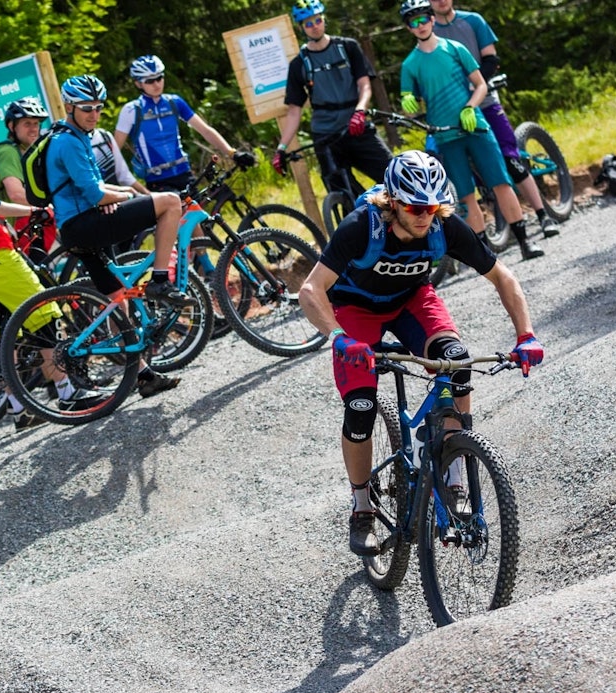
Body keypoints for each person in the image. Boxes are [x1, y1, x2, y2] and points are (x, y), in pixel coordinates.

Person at [297, 151, 544, 556]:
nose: (424, 216)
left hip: (411, 302)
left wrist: (526, 335)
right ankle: (361, 507)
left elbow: (503, 276)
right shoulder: (363, 226)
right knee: (360, 405)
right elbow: (310, 290)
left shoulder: (443, 225)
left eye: (431, 207)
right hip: (355, 312)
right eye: (414, 207)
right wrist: (338, 337)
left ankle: (455, 476)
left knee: (457, 363)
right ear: (393, 201)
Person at [0, 84, 104, 426]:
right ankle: (66, 391)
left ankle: (17, 407)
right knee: (43, 309)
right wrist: (36, 211)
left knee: (2, 330)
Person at [47, 74, 184, 399]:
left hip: (80, 226)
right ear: (69, 106)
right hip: (84, 225)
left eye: (98, 107)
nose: (94, 114)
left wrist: (118, 195)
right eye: (86, 108)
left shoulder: (75, 135)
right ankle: (161, 279)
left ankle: (144, 376)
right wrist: (120, 197)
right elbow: (96, 195)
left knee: (117, 298)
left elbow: (97, 189)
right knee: (170, 202)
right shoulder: (68, 141)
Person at [397, 0, 545, 260]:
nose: (420, 25)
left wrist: (470, 107)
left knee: (501, 183)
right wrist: (407, 101)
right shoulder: (410, 65)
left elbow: (480, 85)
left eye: (423, 19)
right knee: (466, 196)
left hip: (476, 127)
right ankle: (485, 256)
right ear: (408, 28)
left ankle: (524, 242)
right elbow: (410, 102)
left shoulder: (455, 48)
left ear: (432, 19)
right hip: (445, 135)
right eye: (413, 22)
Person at [429, 0, 561, 238]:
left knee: (510, 160)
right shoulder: (428, 31)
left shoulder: (473, 21)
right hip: (452, 113)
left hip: (486, 102)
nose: (440, 1)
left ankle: (543, 215)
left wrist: (472, 85)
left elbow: (491, 59)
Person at [272, 0, 392, 196]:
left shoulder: (348, 47)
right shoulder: (298, 64)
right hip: (325, 135)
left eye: (317, 20)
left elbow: (365, 85)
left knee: (394, 176)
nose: (315, 26)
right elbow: (294, 111)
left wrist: (360, 111)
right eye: (308, 24)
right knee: (343, 194)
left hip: (357, 126)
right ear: (302, 28)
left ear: (324, 19)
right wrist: (281, 148)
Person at [114, 55, 256, 194]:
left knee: (201, 217)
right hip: (158, 181)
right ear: (138, 84)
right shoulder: (131, 110)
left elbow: (205, 130)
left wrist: (232, 153)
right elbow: (115, 149)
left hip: (184, 174)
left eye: (159, 78)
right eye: (150, 81)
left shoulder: (174, 102)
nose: (157, 84)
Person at [0, 98, 57, 259]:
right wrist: (51, 206)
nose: (33, 129)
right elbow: (16, 194)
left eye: (36, 124)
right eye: (27, 124)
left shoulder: (25, 152)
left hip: (2, 231)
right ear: (12, 126)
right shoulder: (8, 152)